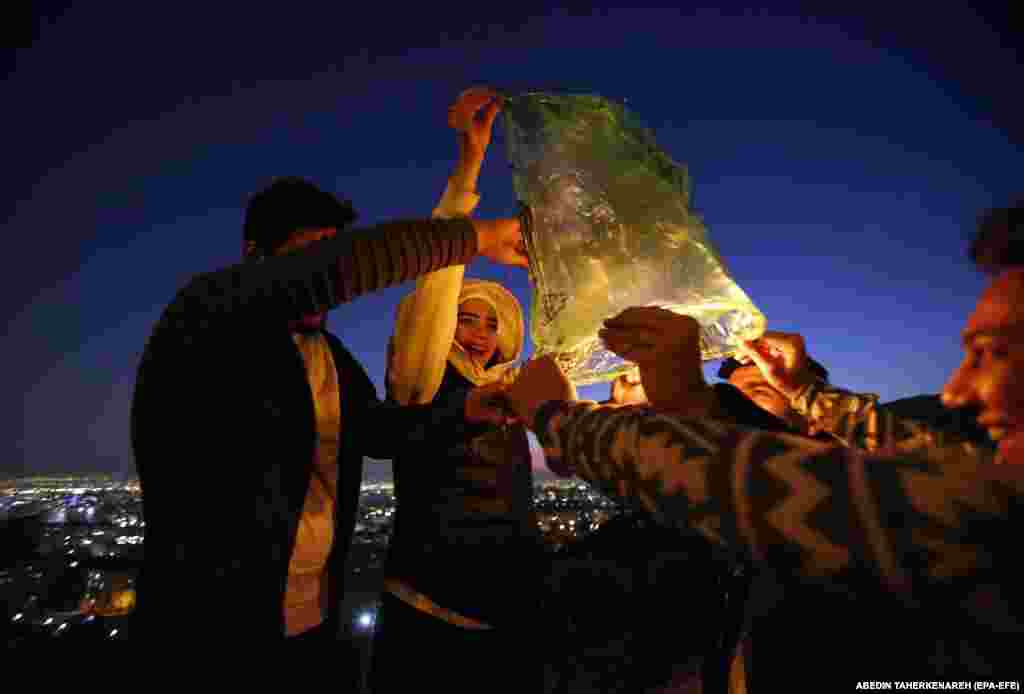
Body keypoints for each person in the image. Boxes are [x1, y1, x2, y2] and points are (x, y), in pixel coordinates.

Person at [504, 204, 1024, 683]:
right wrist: (802, 391)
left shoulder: (990, 520)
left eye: (993, 353)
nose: (957, 392)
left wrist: (557, 418)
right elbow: (912, 445)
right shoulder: (979, 473)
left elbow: (750, 481)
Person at [130, 176, 528, 668]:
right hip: (210, 628)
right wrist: (478, 238)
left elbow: (379, 433)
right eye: (309, 256)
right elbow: (335, 271)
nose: (325, 277)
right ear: (256, 255)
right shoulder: (208, 314)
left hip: (313, 620)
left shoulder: (330, 358)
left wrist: (465, 410)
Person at [369, 88, 545, 694]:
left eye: (492, 323)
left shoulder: (512, 391)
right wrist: (467, 172)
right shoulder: (421, 373)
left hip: (509, 612)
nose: (477, 332)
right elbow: (434, 286)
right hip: (428, 608)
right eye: (465, 318)